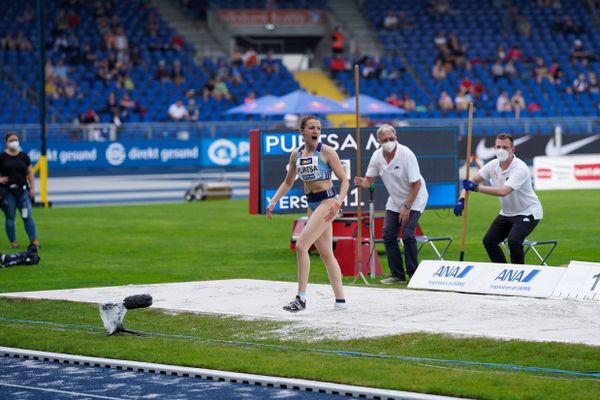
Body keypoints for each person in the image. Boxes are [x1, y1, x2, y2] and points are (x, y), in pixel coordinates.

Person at [266, 115, 349, 312]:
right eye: (311, 128)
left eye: (318, 128)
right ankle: (341, 301)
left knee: (302, 246)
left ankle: (301, 298)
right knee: (327, 254)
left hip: (327, 203)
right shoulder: (296, 155)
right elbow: (288, 182)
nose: (316, 131)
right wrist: (274, 200)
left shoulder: (327, 152)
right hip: (311, 204)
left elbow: (344, 180)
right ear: (301, 131)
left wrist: (338, 202)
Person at [354, 125, 428, 284]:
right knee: (388, 233)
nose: (389, 142)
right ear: (378, 141)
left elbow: (416, 184)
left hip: (415, 198)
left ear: (396, 138)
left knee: (408, 235)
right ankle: (397, 274)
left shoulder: (406, 154)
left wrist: (407, 207)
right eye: (385, 140)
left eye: (391, 139)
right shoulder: (376, 156)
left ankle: (414, 274)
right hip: (395, 200)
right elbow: (369, 180)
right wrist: (362, 182)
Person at [454, 133, 543, 264]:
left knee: (514, 241)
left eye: (505, 147)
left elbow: (503, 191)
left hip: (528, 212)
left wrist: (477, 188)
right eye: (498, 147)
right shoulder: (492, 165)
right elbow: (472, 180)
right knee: (489, 241)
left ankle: (518, 275)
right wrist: (462, 199)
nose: (501, 150)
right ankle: (502, 271)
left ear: (512, 149)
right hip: (507, 213)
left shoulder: (520, 168)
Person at [0, 133, 40, 249]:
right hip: (8, 192)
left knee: (28, 216)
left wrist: (32, 188)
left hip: (23, 192)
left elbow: (30, 173)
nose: (14, 142)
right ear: (6, 142)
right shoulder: (2, 157)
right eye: (12, 140)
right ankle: (13, 241)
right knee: (10, 217)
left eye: (16, 140)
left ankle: (33, 240)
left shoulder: (24, 156)